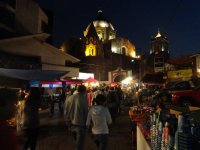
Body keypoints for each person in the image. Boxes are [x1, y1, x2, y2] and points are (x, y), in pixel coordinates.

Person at [64, 85, 88, 150]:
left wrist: (67, 121)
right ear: (84, 91)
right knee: (79, 145)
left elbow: (65, 111)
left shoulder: (69, 98)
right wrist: (88, 123)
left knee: (76, 140)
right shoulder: (83, 99)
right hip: (80, 123)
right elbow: (86, 112)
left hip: (71, 123)